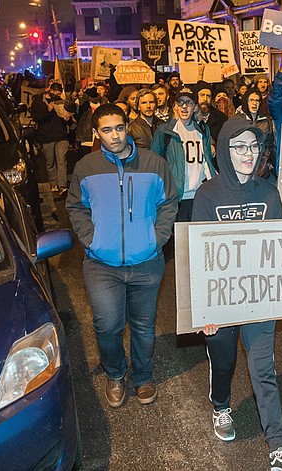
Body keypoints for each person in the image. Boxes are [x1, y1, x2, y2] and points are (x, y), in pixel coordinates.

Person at [192, 118, 282, 471]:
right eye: (239, 146)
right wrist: (203, 310)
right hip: (222, 303)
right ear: (225, 150)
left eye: (253, 147)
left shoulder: (269, 192)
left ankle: (277, 446)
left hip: (260, 300)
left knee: (263, 369)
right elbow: (199, 255)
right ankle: (221, 405)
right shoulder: (208, 194)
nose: (248, 154)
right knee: (223, 363)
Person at [66, 103, 178, 408]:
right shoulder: (86, 168)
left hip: (146, 261)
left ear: (127, 127)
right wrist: (92, 240)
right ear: (96, 133)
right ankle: (115, 374)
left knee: (144, 325)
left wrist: (157, 239)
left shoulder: (154, 164)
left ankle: (143, 377)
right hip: (102, 265)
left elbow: (169, 203)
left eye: (119, 127)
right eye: (106, 130)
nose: (115, 135)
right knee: (107, 325)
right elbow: (75, 207)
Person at [151, 86, 216, 221]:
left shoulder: (203, 130)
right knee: (179, 240)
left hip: (199, 196)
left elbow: (207, 162)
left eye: (189, 103)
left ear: (195, 107)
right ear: (175, 106)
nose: (184, 107)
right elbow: (154, 163)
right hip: (176, 197)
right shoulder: (165, 131)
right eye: (180, 102)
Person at [29, 81, 70, 197]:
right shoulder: (38, 102)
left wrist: (67, 118)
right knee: (50, 161)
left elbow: (68, 115)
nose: (57, 95)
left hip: (60, 135)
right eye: (55, 93)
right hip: (47, 136)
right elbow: (37, 117)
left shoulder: (61, 102)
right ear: (49, 91)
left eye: (59, 93)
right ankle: (53, 183)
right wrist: (48, 110)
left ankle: (62, 185)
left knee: (61, 159)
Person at [231, 89, 276, 179]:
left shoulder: (266, 120)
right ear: (246, 101)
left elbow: (271, 142)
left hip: (262, 167)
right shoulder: (235, 120)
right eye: (251, 100)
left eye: (257, 100)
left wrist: (270, 161)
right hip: (243, 165)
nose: (254, 103)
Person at [194, 80, 227, 145]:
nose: (205, 99)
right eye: (202, 95)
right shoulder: (190, 117)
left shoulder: (220, 118)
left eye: (208, 96)